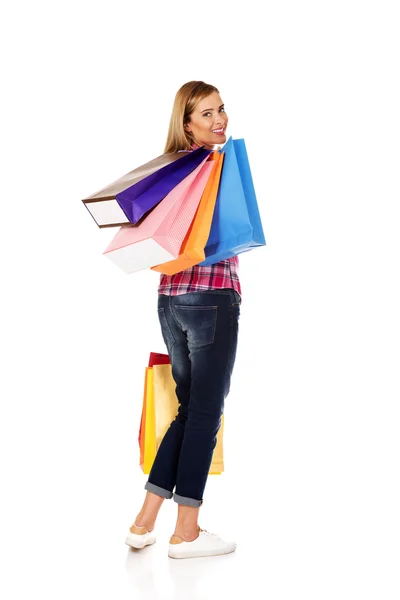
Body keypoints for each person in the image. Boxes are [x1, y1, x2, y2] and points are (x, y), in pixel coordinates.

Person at [125, 81, 242, 559]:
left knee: (189, 408)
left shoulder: (169, 171)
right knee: (205, 414)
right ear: (187, 123)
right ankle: (187, 533)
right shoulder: (214, 166)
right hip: (212, 297)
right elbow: (230, 229)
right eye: (207, 114)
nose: (219, 120)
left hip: (171, 302)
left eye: (221, 109)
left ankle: (144, 521)